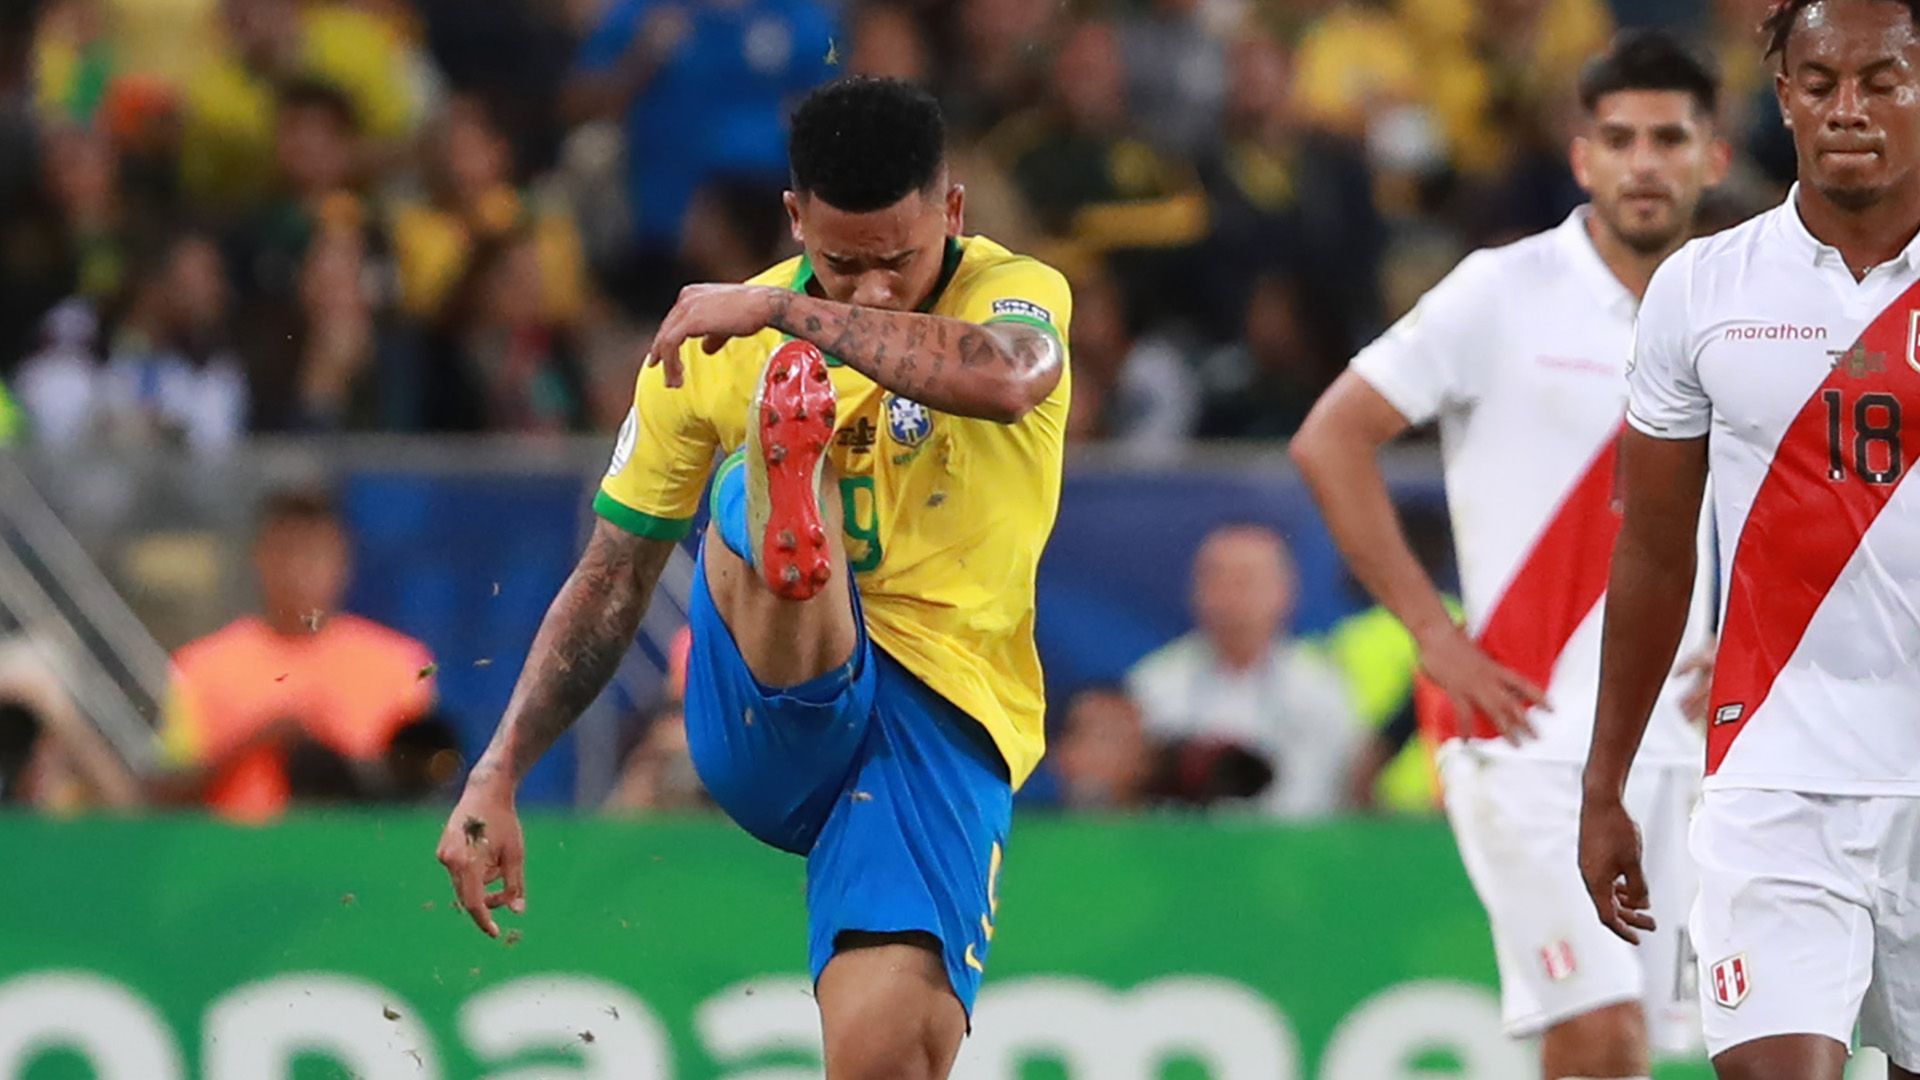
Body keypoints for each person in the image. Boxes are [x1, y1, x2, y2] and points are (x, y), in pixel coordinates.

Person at [437, 77, 1072, 1080]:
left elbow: (1007, 376)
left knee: (887, 1057)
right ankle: (782, 494)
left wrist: (788, 305)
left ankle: (783, 490)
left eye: (898, 263)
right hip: (767, 697)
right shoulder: (715, 352)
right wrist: (499, 769)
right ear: (794, 218)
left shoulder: (1014, 292)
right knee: (754, 478)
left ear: (952, 212)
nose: (868, 288)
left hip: (938, 720)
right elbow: (612, 579)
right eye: (840, 262)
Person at [1292, 31, 1729, 1080]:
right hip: (1526, 735)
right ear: (1582, 158)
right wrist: (1432, 634)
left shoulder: (1737, 300)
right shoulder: (1503, 290)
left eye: (1669, 138)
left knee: (1705, 1049)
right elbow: (1330, 437)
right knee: (1599, 1036)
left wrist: (1755, 636)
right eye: (1619, 139)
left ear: (1713, 158)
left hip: (1692, 740)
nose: (1644, 162)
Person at [1580, 4, 1920, 1079]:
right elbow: (1651, 553)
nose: (1850, 109)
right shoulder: (1701, 288)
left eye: (1883, 80)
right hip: (1773, 782)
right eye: (1820, 83)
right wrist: (1606, 783)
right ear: (1783, 99)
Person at [159, 488, 437, 822]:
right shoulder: (198, 667)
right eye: (286, 553)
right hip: (234, 862)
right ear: (259, 558)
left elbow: (422, 791)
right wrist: (257, 741)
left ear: (343, 561)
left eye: (314, 555)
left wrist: (335, 760)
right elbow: (164, 796)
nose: (299, 571)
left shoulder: (401, 664)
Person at [1126, 523, 1360, 819]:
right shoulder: (1152, 686)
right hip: (1181, 856)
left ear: (1285, 590)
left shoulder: (1324, 686)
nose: (1231, 596)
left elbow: (1352, 792)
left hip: (1296, 856)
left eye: (1246, 580)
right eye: (1217, 579)